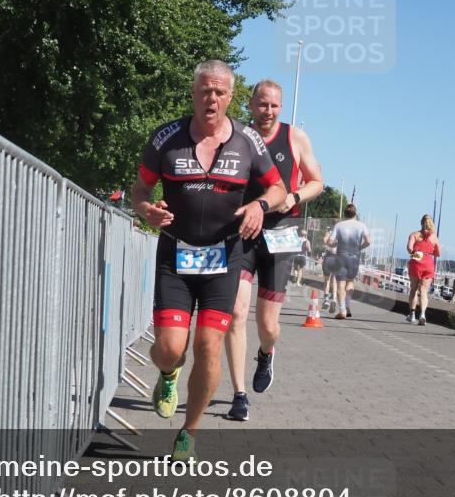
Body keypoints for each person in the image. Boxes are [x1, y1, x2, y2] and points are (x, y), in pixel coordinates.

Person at [131, 61, 286, 458]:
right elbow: (139, 191)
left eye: (219, 92)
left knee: (209, 346)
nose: (211, 99)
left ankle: (189, 432)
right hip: (176, 255)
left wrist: (259, 206)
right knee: (170, 348)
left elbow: (279, 189)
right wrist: (146, 210)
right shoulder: (167, 138)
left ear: (231, 97)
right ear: (193, 93)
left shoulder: (248, 140)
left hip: (224, 258)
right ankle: (168, 372)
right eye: (204, 91)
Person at [224, 80, 323, 422]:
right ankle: (239, 395)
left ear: (280, 107)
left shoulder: (295, 137)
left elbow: (317, 182)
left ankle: (266, 352)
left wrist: (294, 196)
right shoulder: (237, 136)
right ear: (251, 104)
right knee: (236, 312)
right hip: (243, 231)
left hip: (282, 231)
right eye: (262, 104)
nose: (268, 111)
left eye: (274, 106)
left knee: (268, 324)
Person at [325, 204, 370, 320]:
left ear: (345, 214)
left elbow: (330, 242)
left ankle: (342, 310)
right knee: (350, 282)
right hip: (354, 257)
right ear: (356, 213)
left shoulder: (339, 225)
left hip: (341, 256)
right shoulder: (362, 226)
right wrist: (359, 247)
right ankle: (347, 305)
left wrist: (335, 244)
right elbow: (368, 241)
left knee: (340, 283)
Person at [405, 214, 441, 325]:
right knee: (424, 291)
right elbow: (438, 253)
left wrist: (416, 255)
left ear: (421, 223)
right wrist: (428, 253)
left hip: (416, 262)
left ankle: (412, 315)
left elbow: (409, 248)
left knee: (414, 289)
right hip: (428, 264)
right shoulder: (434, 237)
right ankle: (422, 315)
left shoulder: (414, 235)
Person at [321, 227, 338, 313]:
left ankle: (326, 300)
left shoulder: (329, 232)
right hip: (338, 258)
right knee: (334, 281)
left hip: (329, 257)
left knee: (326, 280)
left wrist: (328, 242)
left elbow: (324, 241)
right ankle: (334, 300)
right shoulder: (342, 234)